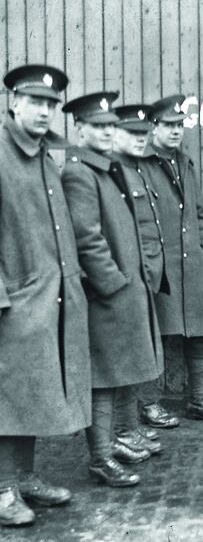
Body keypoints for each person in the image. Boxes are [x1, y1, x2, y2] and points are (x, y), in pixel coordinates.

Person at [0, 64, 92, 527]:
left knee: (32, 392)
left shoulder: (43, 155)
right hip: (14, 301)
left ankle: (24, 477)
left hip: (49, 298)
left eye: (51, 104)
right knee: (6, 396)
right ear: (13, 102)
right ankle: (1, 491)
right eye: (35, 102)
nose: (44, 111)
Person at [61, 92, 164, 487]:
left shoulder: (102, 169)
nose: (106, 133)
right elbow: (87, 239)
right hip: (107, 296)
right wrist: (114, 285)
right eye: (98, 127)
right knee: (103, 378)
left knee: (120, 372)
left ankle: (115, 445)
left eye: (109, 127)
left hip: (122, 291)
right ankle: (101, 458)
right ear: (80, 129)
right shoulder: (78, 173)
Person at [139, 95, 203, 425]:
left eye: (180, 126)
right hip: (161, 264)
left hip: (192, 263)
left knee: (201, 331)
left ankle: (198, 400)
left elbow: (200, 211)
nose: (176, 132)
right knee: (157, 332)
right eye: (169, 125)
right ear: (154, 128)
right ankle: (149, 404)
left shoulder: (185, 163)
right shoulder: (143, 165)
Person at [111, 104, 170, 450]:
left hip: (143, 277)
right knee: (122, 362)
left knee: (135, 357)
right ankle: (121, 431)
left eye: (142, 134)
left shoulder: (135, 169)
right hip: (126, 280)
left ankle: (127, 426)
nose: (140, 139)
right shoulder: (114, 171)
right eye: (132, 133)